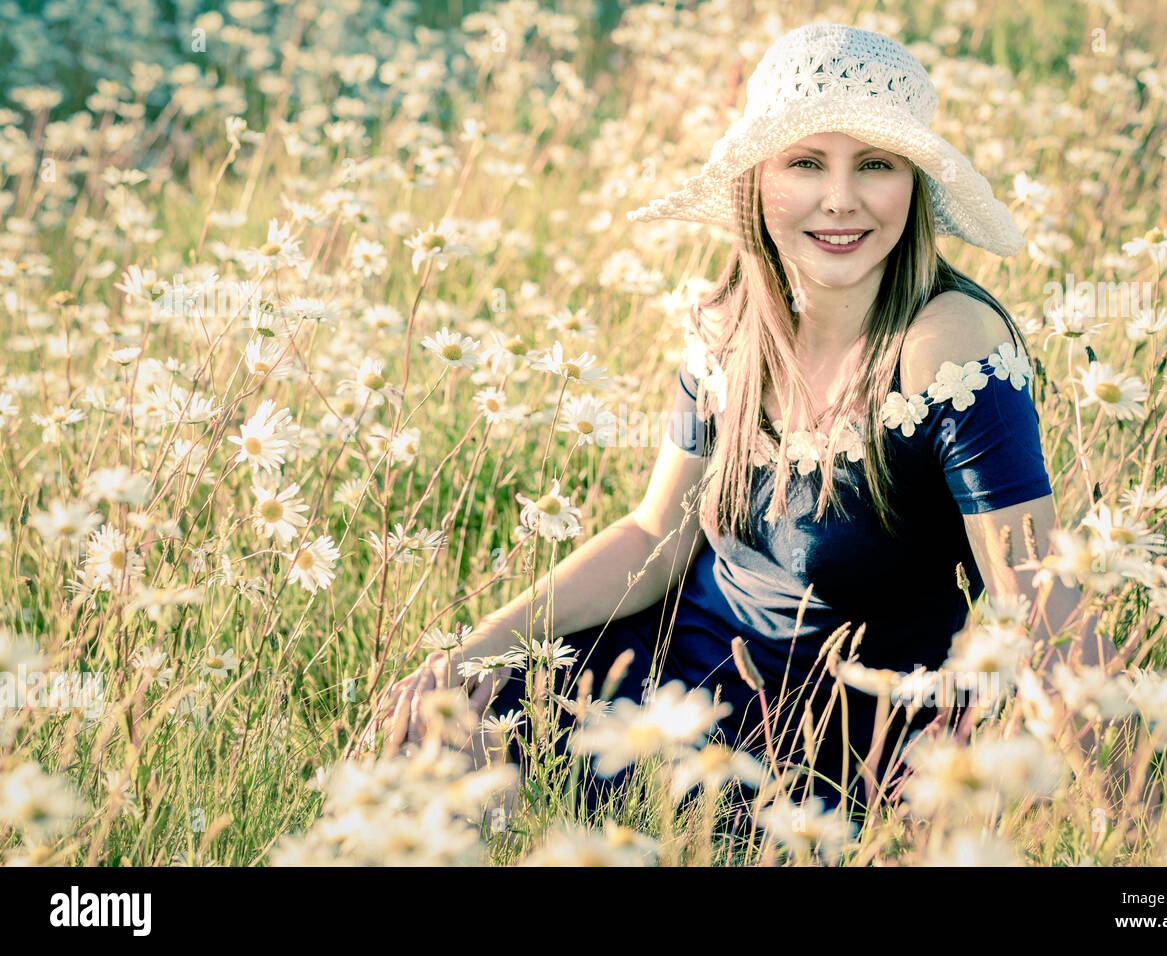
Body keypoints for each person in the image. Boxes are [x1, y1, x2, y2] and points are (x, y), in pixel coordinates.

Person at [359, 24, 1066, 827]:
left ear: (913, 183)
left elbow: (1039, 604)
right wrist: (474, 649)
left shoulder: (948, 346)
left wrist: (1138, 826)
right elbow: (654, 537)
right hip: (670, 663)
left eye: (875, 163)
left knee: (660, 822)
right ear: (757, 182)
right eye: (805, 163)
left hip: (827, 731)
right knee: (451, 726)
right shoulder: (731, 324)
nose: (840, 198)